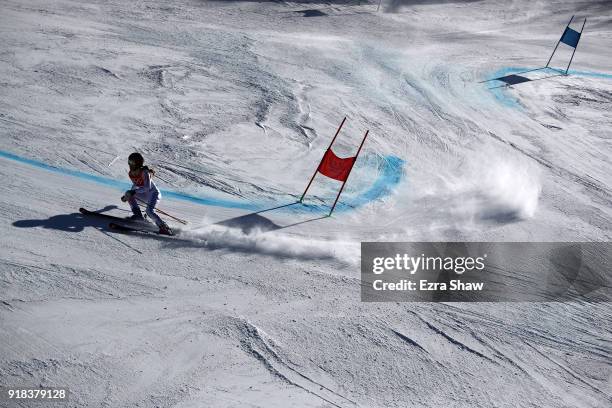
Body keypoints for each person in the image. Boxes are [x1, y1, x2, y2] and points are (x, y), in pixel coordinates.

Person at [121, 152, 173, 235]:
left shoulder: (144, 172)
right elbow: (135, 185)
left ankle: (164, 227)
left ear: (137, 163)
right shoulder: (131, 174)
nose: (129, 164)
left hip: (154, 194)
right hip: (144, 195)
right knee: (128, 193)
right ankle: (139, 217)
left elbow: (147, 187)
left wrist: (133, 192)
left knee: (149, 211)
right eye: (129, 162)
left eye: (131, 162)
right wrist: (127, 195)